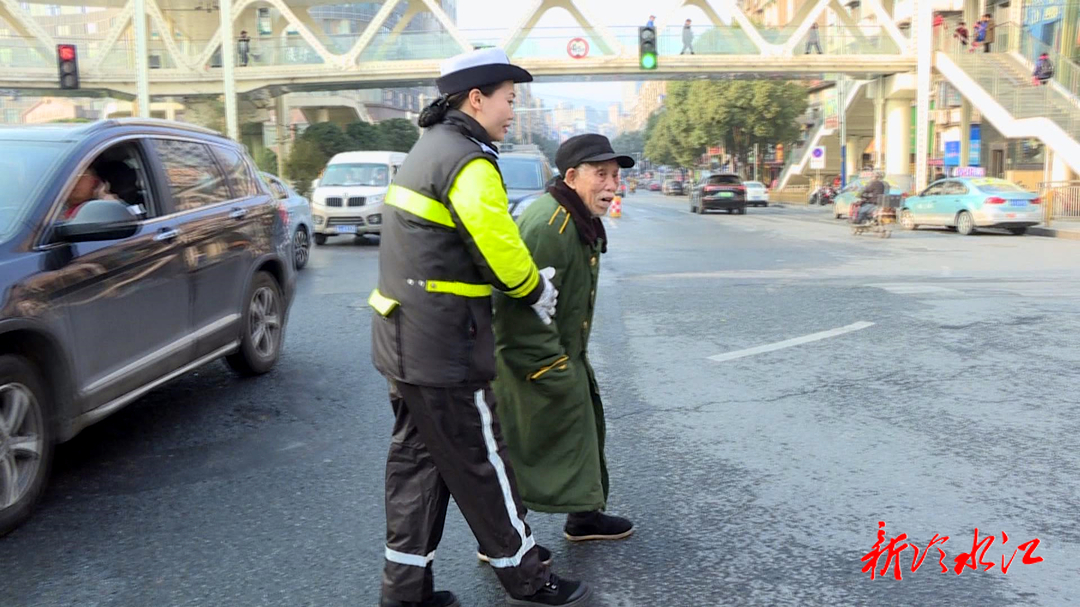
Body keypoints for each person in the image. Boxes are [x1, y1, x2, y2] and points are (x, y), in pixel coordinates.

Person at [370, 47, 589, 607]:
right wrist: (535, 287)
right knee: (485, 464)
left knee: (417, 468)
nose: (513, 111)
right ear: (476, 99)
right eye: (509, 100)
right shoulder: (467, 160)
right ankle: (529, 577)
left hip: (402, 341)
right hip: (444, 348)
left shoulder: (428, 149)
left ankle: (405, 593)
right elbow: (498, 248)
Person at [487, 134, 635, 561]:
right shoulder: (548, 225)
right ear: (571, 177)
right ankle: (500, 538)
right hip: (530, 358)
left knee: (581, 428)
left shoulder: (575, 216)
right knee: (523, 445)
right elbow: (514, 310)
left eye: (615, 175)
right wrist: (549, 365)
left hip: (563, 350)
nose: (612, 185)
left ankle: (584, 516)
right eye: (601, 175)